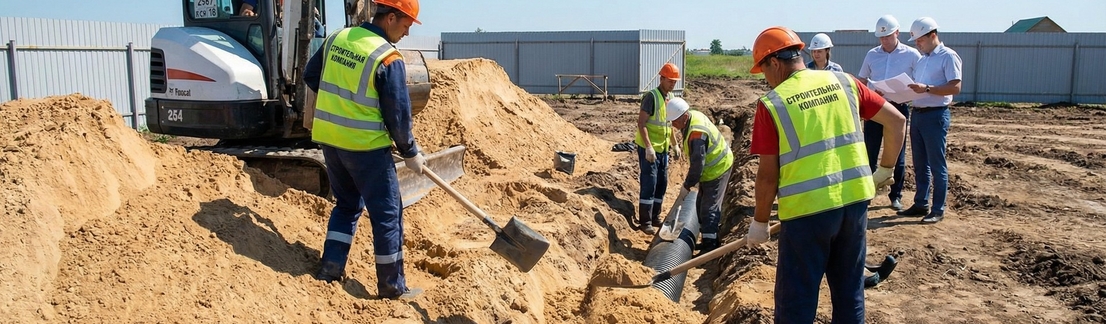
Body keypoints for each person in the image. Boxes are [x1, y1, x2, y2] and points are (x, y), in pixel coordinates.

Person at [744, 26, 906, 323]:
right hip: (855, 205)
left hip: (807, 214)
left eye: (763, 71)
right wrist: (885, 170)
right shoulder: (844, 82)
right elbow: (896, 122)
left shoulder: (773, 103)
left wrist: (760, 222)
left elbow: (767, 176)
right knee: (849, 293)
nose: (765, 80)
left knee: (797, 301)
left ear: (775, 63)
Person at [301, 0, 424, 300]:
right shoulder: (387, 58)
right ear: (391, 17)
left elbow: (310, 75)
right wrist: (410, 150)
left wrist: (341, 107)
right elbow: (397, 115)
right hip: (366, 148)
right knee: (387, 215)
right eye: (406, 26)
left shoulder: (337, 38)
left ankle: (329, 269)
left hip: (330, 141)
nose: (407, 34)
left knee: (346, 206)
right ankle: (392, 287)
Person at [900, 17, 962, 224]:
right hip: (918, 114)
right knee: (920, 163)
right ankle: (921, 203)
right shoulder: (923, 59)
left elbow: (955, 87)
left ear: (932, 35)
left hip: (935, 115)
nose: (917, 44)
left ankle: (938, 209)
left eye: (920, 40)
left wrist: (927, 88)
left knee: (937, 164)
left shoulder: (948, 56)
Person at [858, 14, 923, 211]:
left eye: (888, 37)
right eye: (881, 38)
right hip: (875, 108)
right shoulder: (872, 54)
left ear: (897, 33)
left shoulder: (912, 55)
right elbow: (862, 80)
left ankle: (896, 196)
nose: (884, 41)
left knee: (898, 154)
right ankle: (866, 193)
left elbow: (920, 80)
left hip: (899, 107)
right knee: (870, 151)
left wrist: (908, 91)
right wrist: (870, 92)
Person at [664, 97, 734, 253]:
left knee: (709, 208)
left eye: (674, 121)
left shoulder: (697, 134)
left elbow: (697, 166)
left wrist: (686, 186)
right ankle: (707, 238)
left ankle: (710, 248)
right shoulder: (691, 116)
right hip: (709, 170)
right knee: (700, 205)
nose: (673, 125)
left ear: (683, 116)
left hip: (718, 168)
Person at [634, 62, 684, 234]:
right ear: (661, 78)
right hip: (650, 149)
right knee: (650, 183)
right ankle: (645, 221)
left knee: (661, 183)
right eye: (670, 81)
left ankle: (655, 216)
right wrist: (648, 147)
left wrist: (675, 145)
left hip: (663, 149)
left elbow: (667, 125)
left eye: (675, 81)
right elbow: (642, 123)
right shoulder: (651, 97)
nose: (672, 84)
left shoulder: (667, 99)